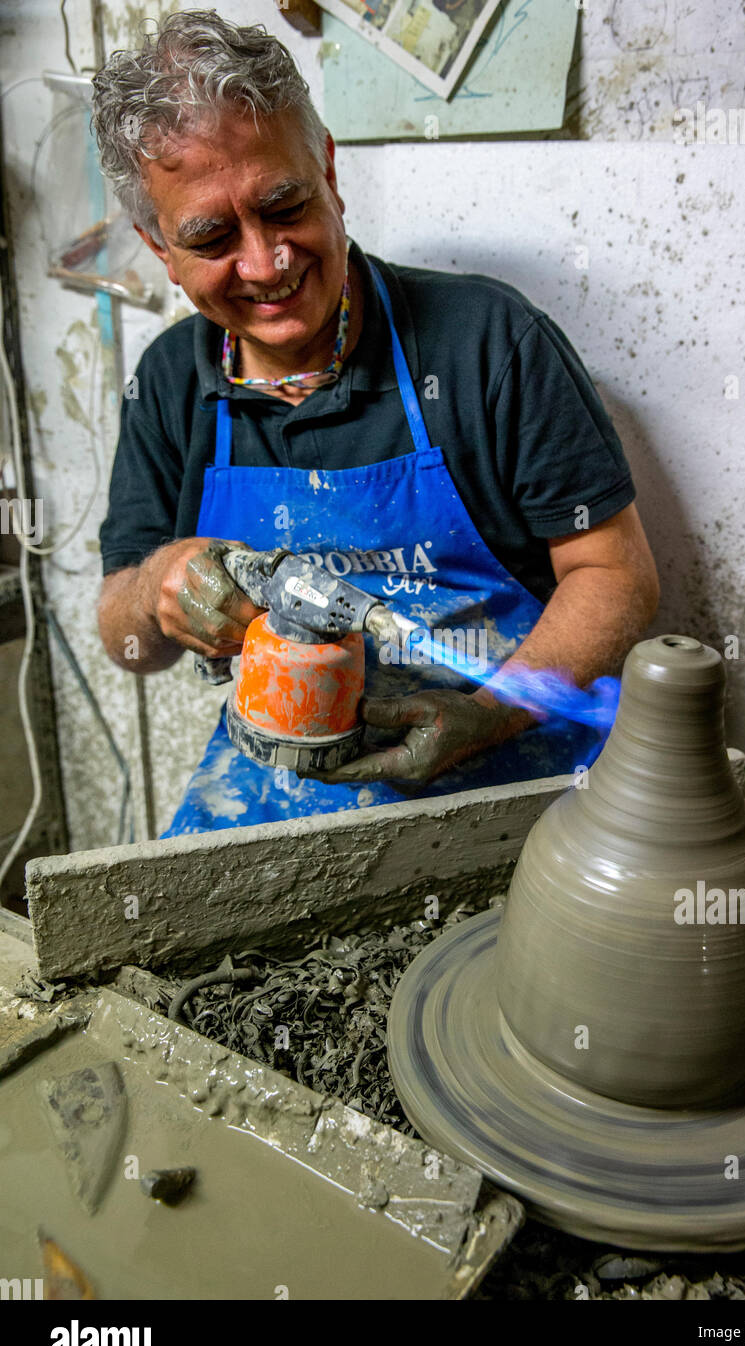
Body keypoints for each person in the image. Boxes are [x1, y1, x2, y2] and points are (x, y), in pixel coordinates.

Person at [93, 9, 659, 835]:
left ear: (327, 168)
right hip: (281, 773)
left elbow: (617, 575)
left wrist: (491, 715)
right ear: (158, 246)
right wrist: (153, 590)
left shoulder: (488, 342)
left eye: (284, 204)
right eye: (211, 236)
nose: (266, 262)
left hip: (507, 748)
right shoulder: (169, 383)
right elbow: (124, 637)